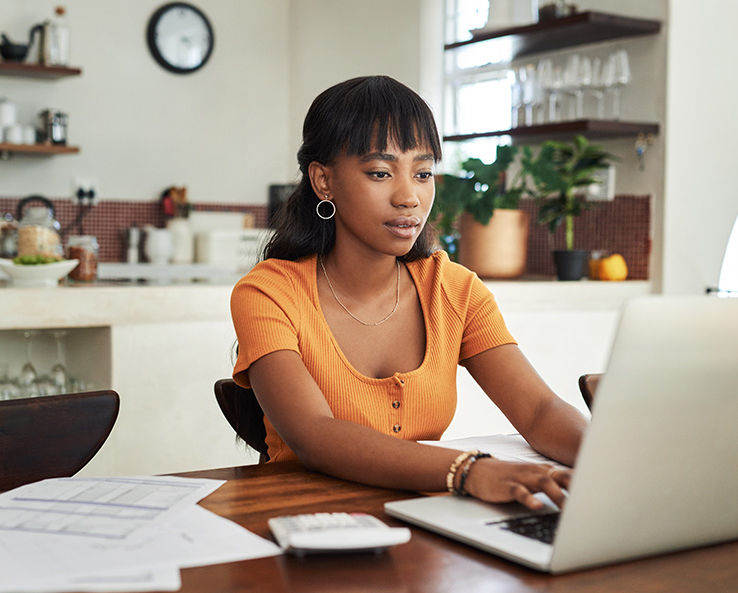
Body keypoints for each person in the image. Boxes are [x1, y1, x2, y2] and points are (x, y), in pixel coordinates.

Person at [230, 76, 587, 510]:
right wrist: (468, 471)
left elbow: (539, 412)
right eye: (380, 173)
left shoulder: (453, 290)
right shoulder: (269, 293)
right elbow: (314, 436)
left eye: (423, 173)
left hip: (427, 526)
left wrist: (614, 461)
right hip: (303, 530)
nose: (409, 197)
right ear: (324, 181)